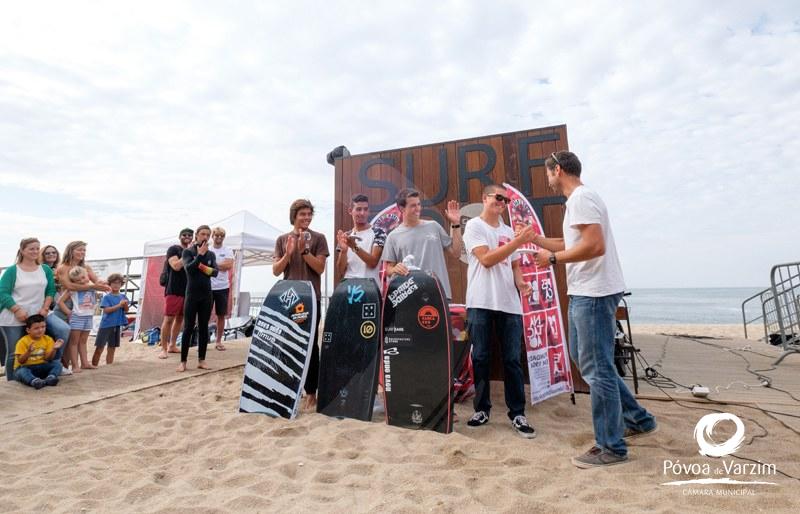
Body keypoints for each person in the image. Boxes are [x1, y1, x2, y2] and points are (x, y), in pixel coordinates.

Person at [531, 150, 657, 468]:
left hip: (594, 294)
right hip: (586, 292)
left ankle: (610, 446)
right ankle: (638, 420)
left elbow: (595, 245)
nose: (547, 178)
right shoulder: (579, 201)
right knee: (589, 361)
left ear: (557, 170)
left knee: (596, 369)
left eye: (548, 172)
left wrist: (553, 260)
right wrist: (535, 240)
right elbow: (574, 242)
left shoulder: (581, 198)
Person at [462, 184, 538, 438]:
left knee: (512, 360)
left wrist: (521, 283)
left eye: (505, 199)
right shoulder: (474, 226)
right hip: (480, 300)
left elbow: (514, 265)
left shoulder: (508, 231)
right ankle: (481, 409)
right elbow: (486, 260)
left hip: (509, 303)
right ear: (484, 198)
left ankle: (517, 413)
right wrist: (517, 240)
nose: (502, 202)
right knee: (481, 357)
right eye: (498, 197)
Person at [273, 199, 329, 409]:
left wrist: (305, 251)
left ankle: (311, 392)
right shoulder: (282, 239)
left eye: (309, 214)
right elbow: (276, 271)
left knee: (311, 346)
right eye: (302, 214)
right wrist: (288, 253)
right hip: (289, 300)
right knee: (289, 344)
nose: (306, 218)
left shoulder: (319, 238)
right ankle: (291, 388)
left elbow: (320, 268)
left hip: (311, 299)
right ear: (294, 216)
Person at [381, 188, 462, 300]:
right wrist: (395, 269)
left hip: (439, 293)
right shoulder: (393, 236)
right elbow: (388, 269)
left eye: (419, 204)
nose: (418, 208)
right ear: (401, 208)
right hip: (411, 297)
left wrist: (456, 223)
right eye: (413, 205)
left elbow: (456, 253)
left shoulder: (434, 226)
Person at [1, 238, 58, 381]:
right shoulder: (12, 270)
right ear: (22, 250)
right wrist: (17, 310)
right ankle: (11, 380)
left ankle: (49, 369)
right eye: (31, 248)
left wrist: (45, 308)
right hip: (13, 317)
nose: (35, 251)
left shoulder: (44, 269)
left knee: (60, 331)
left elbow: (50, 290)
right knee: (14, 352)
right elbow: (2, 292)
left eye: (37, 248)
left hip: (37, 316)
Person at [177, 225, 218, 372]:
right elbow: (188, 269)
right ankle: (183, 361)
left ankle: (202, 360)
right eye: (202, 234)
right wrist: (199, 256)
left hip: (206, 295)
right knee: (188, 327)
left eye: (208, 235)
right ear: (197, 235)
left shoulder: (211, 255)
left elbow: (215, 272)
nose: (205, 237)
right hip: (192, 294)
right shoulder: (188, 252)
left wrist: (201, 266)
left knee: (203, 328)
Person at [335, 194, 386, 284]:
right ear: (350, 211)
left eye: (365, 209)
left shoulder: (379, 232)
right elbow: (341, 271)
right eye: (358, 209)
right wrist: (343, 252)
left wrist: (354, 246)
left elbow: (373, 263)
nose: (362, 213)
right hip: (349, 289)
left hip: (370, 289)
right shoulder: (346, 235)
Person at [159, 228, 193, 359]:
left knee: (180, 318)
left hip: (188, 289)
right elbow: (176, 266)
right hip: (174, 289)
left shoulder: (192, 251)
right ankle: (163, 348)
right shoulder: (174, 249)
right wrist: (188, 253)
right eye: (184, 235)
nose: (187, 237)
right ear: (180, 236)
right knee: (168, 319)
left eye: (190, 235)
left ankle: (172, 345)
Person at [58, 266, 98, 372]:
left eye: (83, 278)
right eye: (78, 280)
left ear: (87, 276)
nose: (81, 281)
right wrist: (69, 312)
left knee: (84, 341)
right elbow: (60, 302)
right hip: (77, 317)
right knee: (74, 342)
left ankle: (85, 363)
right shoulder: (73, 289)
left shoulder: (92, 286)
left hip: (89, 316)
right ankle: (75, 365)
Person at [12, 314, 63, 389]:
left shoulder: (48, 339)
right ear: (28, 330)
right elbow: (21, 361)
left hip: (42, 365)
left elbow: (47, 358)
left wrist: (54, 349)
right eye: (36, 328)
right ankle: (34, 381)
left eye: (43, 327)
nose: (40, 330)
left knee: (57, 364)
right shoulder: (22, 341)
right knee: (22, 371)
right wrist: (28, 351)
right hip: (26, 367)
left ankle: (51, 378)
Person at [92, 273, 128, 366]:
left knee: (112, 348)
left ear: (121, 284)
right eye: (114, 283)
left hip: (116, 325)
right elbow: (107, 310)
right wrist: (119, 305)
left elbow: (126, 310)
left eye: (118, 283)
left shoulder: (123, 296)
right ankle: (94, 366)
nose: (116, 285)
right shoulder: (107, 297)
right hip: (106, 325)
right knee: (100, 347)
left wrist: (125, 305)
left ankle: (109, 366)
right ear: (110, 284)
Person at [209, 227, 235, 351]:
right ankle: (203, 341)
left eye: (221, 236)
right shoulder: (208, 249)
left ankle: (218, 341)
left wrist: (212, 264)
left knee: (221, 315)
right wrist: (220, 265)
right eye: (217, 235)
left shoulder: (228, 250)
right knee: (203, 315)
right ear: (212, 236)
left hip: (222, 287)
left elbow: (228, 266)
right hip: (207, 287)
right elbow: (201, 265)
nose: (219, 238)